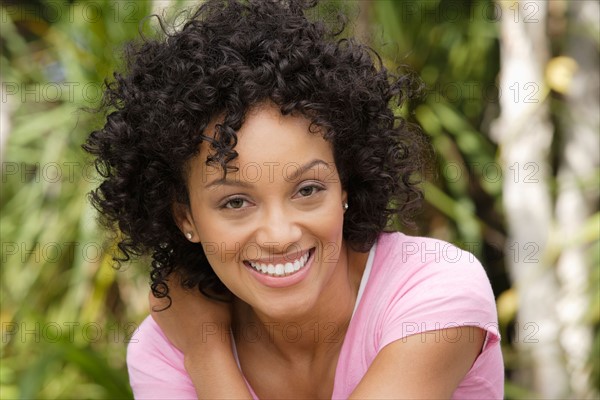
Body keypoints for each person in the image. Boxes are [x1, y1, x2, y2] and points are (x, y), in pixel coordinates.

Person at [84, 0, 504, 398]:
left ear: (346, 185)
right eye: (235, 202)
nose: (279, 234)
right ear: (185, 217)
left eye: (307, 190)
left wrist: (207, 354)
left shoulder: (431, 291)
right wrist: (197, 350)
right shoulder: (163, 350)